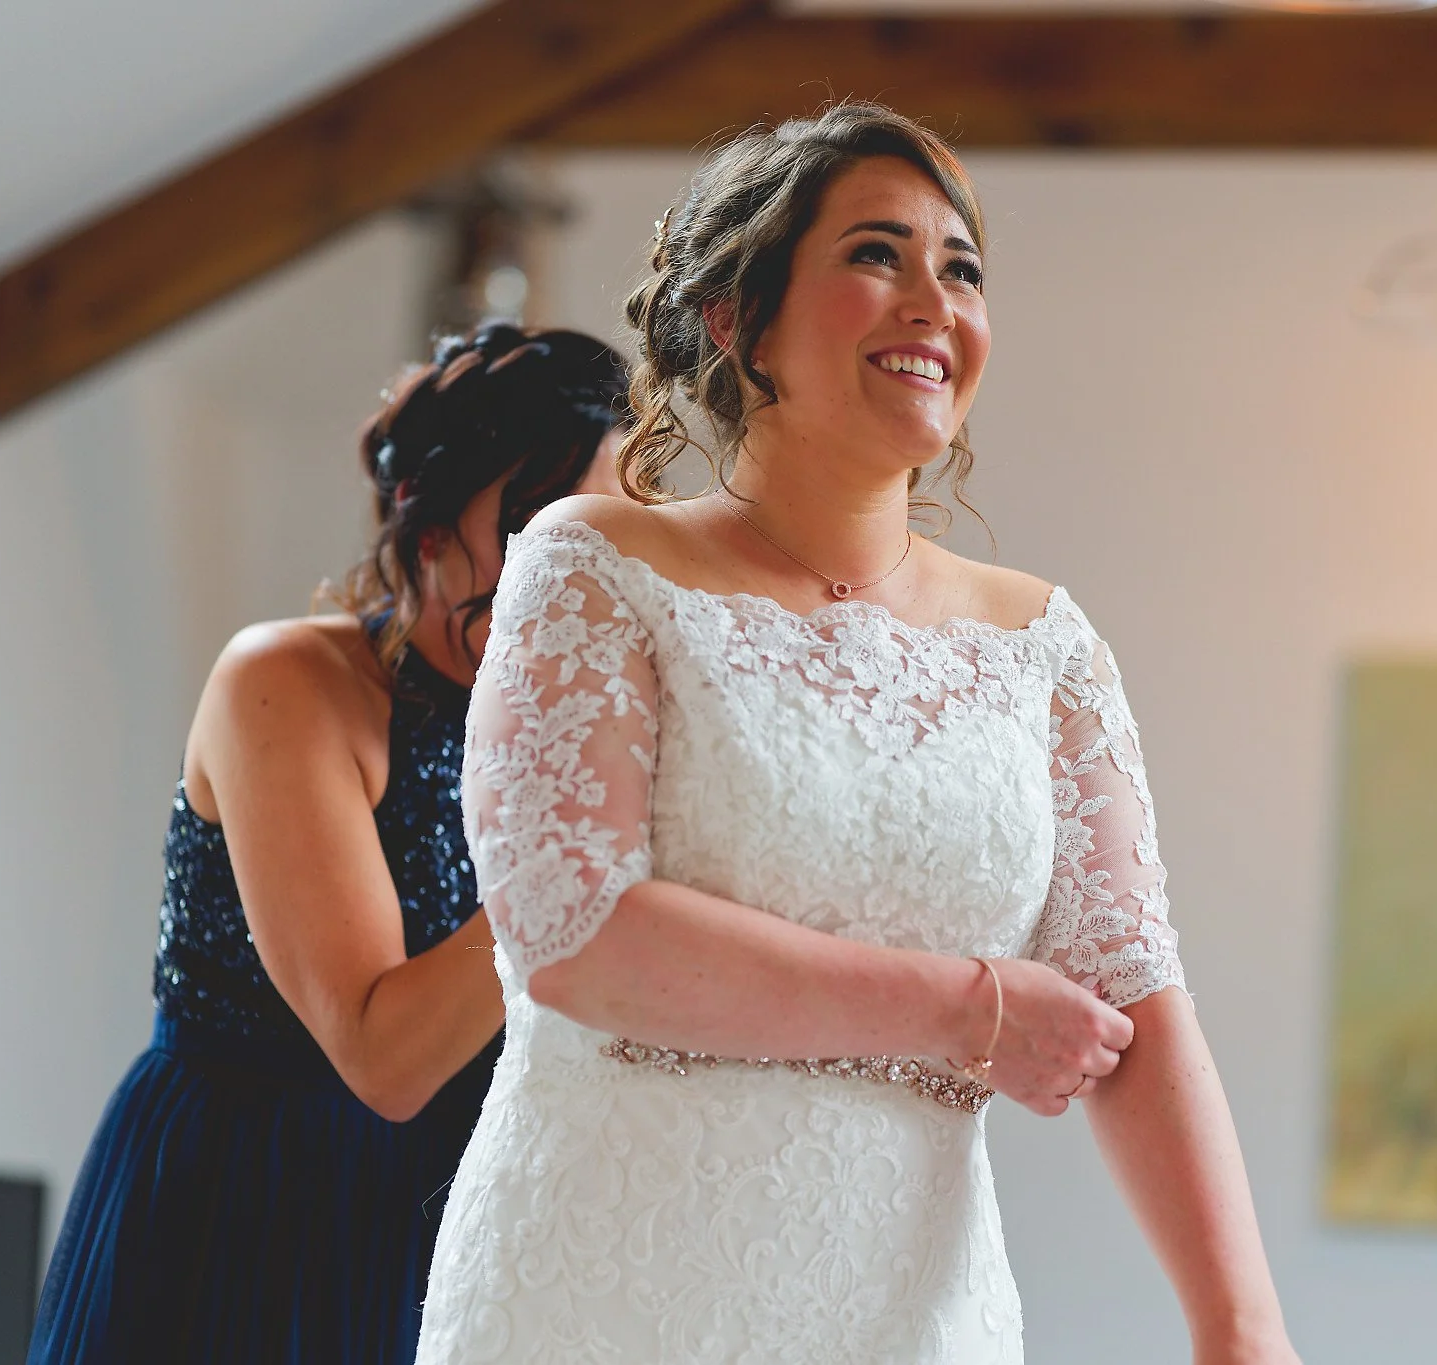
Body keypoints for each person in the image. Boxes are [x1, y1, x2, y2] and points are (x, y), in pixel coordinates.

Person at [413, 106, 1300, 1364]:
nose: (932, 301)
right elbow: (571, 931)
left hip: (910, 1311)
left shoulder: (1042, 646)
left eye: (962, 268)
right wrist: (970, 1009)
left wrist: (1239, 1327)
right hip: (607, 1285)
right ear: (738, 320)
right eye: (877, 254)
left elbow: (1136, 995)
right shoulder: (594, 562)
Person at [28, 323, 633, 1365]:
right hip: (239, 1205)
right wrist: (595, 845)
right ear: (429, 531)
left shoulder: (565, 716)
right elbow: (382, 1056)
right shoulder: (286, 684)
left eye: (604, 534)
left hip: (445, 1215)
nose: (577, 572)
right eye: (538, 524)